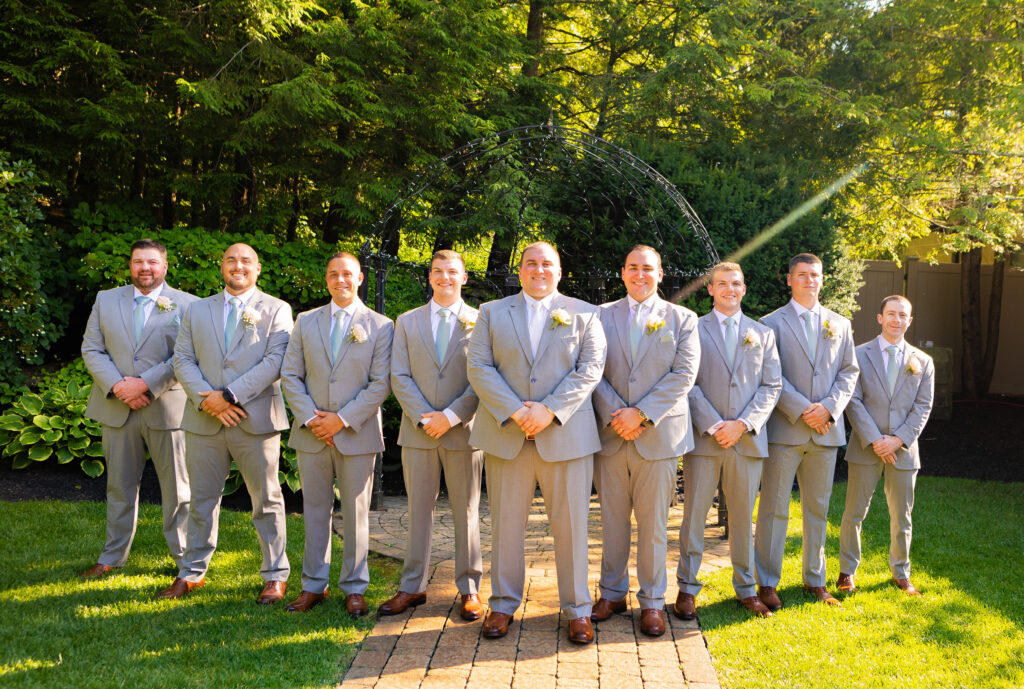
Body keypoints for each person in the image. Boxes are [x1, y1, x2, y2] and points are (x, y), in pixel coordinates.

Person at [466, 241, 606, 644]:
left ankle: (578, 609)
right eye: (531, 263)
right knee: (506, 526)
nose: (539, 270)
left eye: (547, 264)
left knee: (572, 527)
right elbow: (479, 367)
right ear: (520, 270)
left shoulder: (585, 313)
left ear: (559, 271)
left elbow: (590, 369)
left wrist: (548, 411)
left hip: (565, 435)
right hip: (507, 435)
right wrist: (515, 411)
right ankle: (503, 604)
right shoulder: (491, 313)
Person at [157, 243, 293, 604]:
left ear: (258, 268)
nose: (238, 266)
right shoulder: (198, 310)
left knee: (266, 500)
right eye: (231, 260)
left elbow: (276, 360)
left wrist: (229, 396)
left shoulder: (277, 309)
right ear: (222, 267)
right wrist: (208, 399)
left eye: (246, 260)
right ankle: (191, 572)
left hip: (256, 420)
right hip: (205, 419)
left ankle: (275, 575)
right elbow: (182, 358)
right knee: (200, 500)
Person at [590, 245, 699, 636]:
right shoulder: (598, 316)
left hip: (660, 437)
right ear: (622, 273)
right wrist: (618, 414)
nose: (640, 274)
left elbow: (683, 374)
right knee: (612, 522)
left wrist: (643, 413)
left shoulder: (683, 319)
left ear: (660, 273)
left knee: (654, 525)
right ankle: (612, 593)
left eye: (647, 268)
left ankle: (652, 601)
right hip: (611, 434)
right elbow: (590, 370)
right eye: (633, 268)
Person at [279, 252, 394, 615]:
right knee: (314, 510)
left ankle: (354, 587)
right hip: (312, 433)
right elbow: (290, 375)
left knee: (357, 512)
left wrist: (341, 420)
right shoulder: (306, 320)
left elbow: (381, 383)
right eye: (333, 274)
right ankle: (313, 585)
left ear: (360, 278)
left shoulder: (381, 325)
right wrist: (314, 420)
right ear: (326, 279)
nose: (340, 280)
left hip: (356, 433)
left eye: (347, 274)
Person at [79, 239, 197, 578]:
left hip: (167, 409)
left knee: (177, 490)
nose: (144, 268)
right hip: (117, 408)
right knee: (119, 488)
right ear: (129, 265)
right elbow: (92, 349)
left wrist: (145, 384)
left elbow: (186, 356)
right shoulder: (106, 299)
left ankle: (186, 562)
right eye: (137, 261)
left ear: (165, 266)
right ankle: (112, 556)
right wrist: (119, 387)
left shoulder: (189, 305)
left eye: (151, 262)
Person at [378, 250, 484, 620]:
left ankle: (470, 589)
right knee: (417, 511)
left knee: (466, 511)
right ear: (430, 277)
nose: (445, 277)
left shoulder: (480, 320)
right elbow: (399, 375)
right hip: (419, 431)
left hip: (464, 433)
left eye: (452, 271)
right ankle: (412, 587)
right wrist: (427, 418)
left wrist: (452, 416)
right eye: (438, 271)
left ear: (464, 277)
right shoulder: (407, 321)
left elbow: (483, 377)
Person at [676, 262, 782, 619]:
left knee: (741, 518)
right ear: (710, 289)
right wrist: (714, 424)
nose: (729, 289)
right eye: (722, 284)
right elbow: (687, 381)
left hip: (746, 441)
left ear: (744, 288)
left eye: (736, 283)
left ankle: (746, 589)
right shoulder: (692, 328)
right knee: (694, 517)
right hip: (705, 441)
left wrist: (744, 424)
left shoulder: (762, 333)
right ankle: (687, 589)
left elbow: (772, 385)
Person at [754, 253, 859, 609]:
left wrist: (829, 408)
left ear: (822, 279)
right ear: (789, 280)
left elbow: (849, 372)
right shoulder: (770, 324)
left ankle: (815, 580)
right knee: (774, 509)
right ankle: (767, 582)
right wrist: (802, 409)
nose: (809, 280)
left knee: (818, 509)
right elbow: (770, 375)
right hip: (786, 429)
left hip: (826, 431)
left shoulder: (840, 324)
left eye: (815, 275)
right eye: (802, 275)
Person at [839, 295, 934, 596]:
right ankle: (846, 572)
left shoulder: (923, 361)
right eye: (891, 314)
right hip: (866, 446)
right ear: (879, 318)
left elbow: (923, 406)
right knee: (854, 512)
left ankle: (901, 572)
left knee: (902, 515)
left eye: (902, 315)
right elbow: (852, 400)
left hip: (904, 451)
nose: (896, 320)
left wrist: (899, 439)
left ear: (910, 321)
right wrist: (876, 440)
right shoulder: (858, 354)